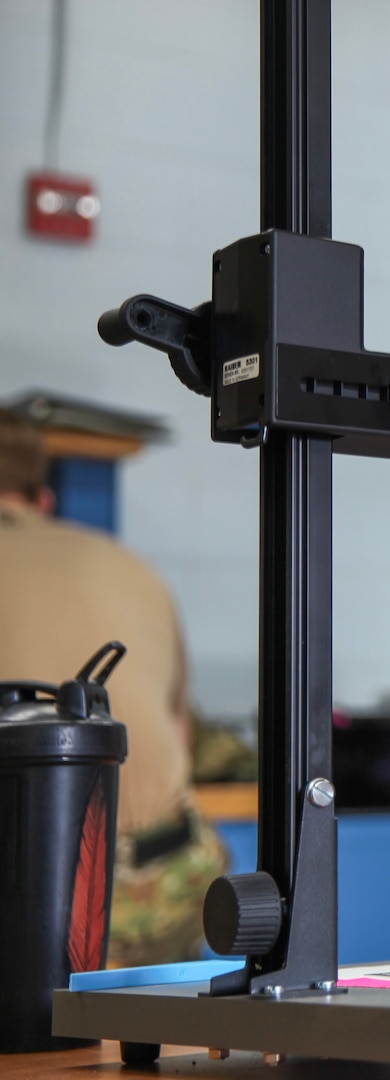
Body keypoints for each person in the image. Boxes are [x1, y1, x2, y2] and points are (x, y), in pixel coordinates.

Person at [0, 407, 226, 967]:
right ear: (43, 497)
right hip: (170, 884)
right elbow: (179, 732)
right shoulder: (131, 565)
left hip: (35, 899)